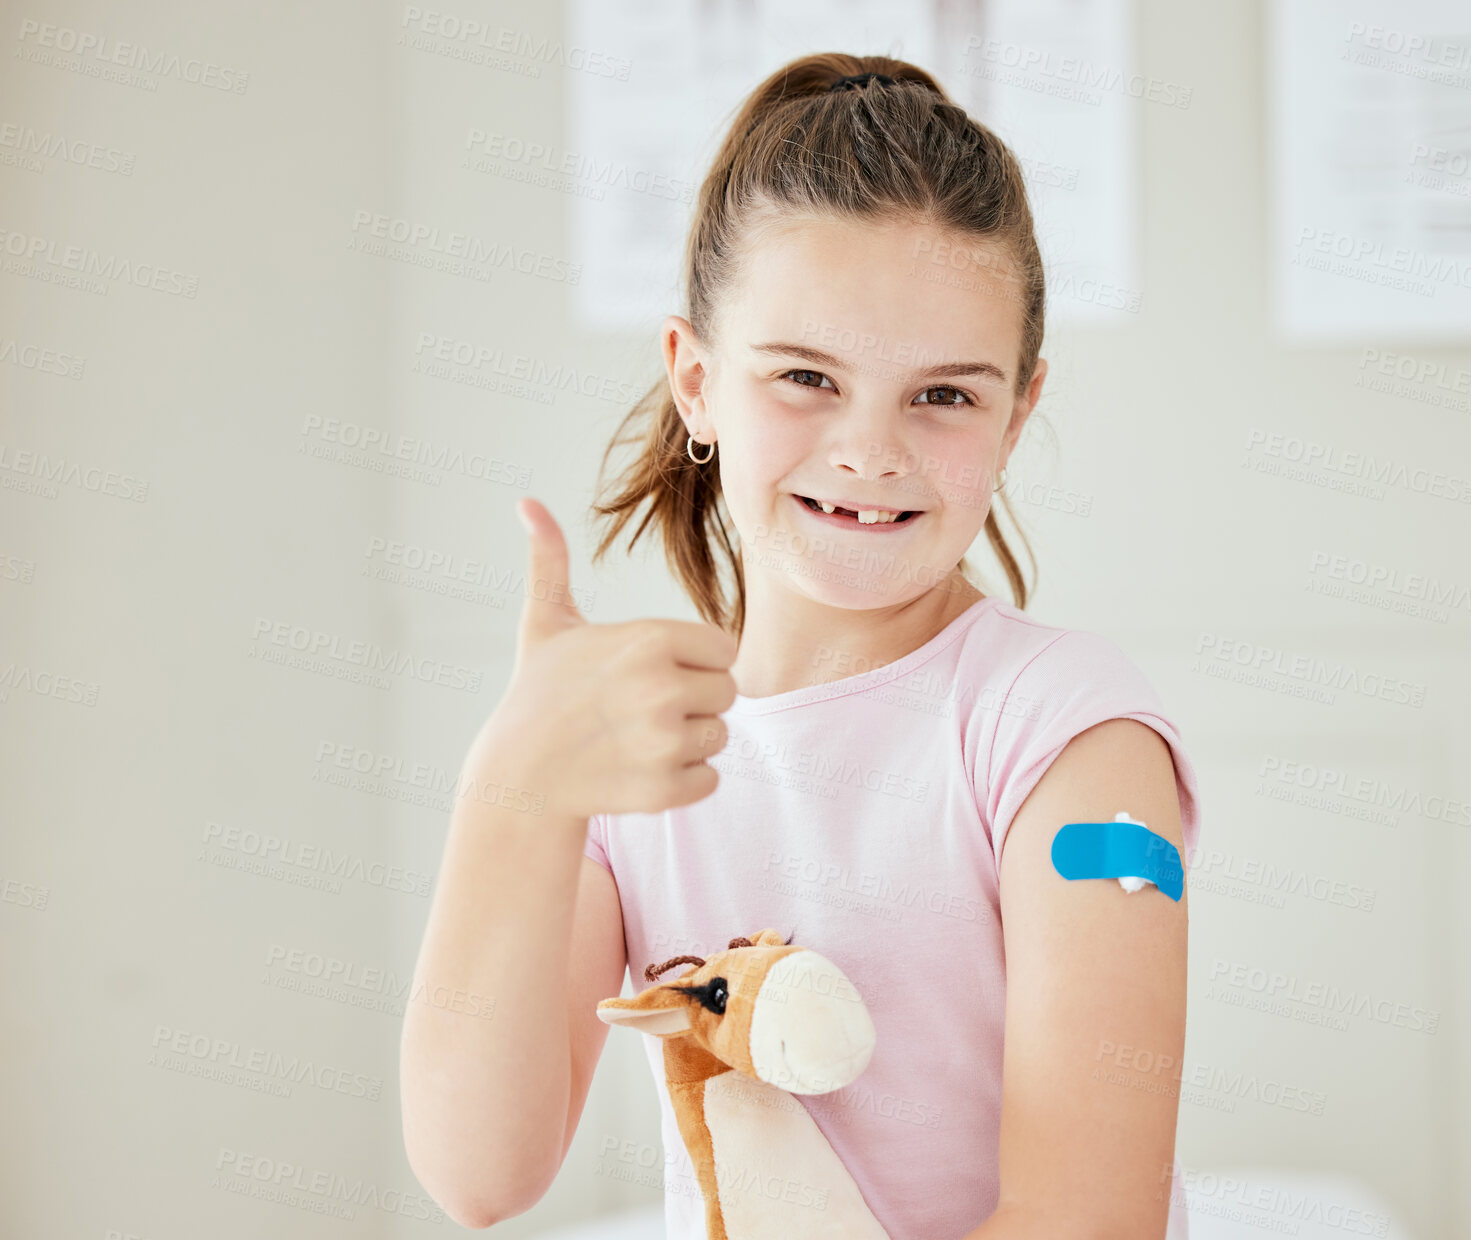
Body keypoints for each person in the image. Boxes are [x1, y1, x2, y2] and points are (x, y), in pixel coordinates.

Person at [400, 51, 1203, 1240]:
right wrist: (511, 787)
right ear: (695, 379)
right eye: (805, 377)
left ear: (1018, 410)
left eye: (944, 396)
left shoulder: (1070, 738)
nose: (870, 451)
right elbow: (480, 1173)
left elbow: (1085, 1222)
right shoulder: (638, 758)